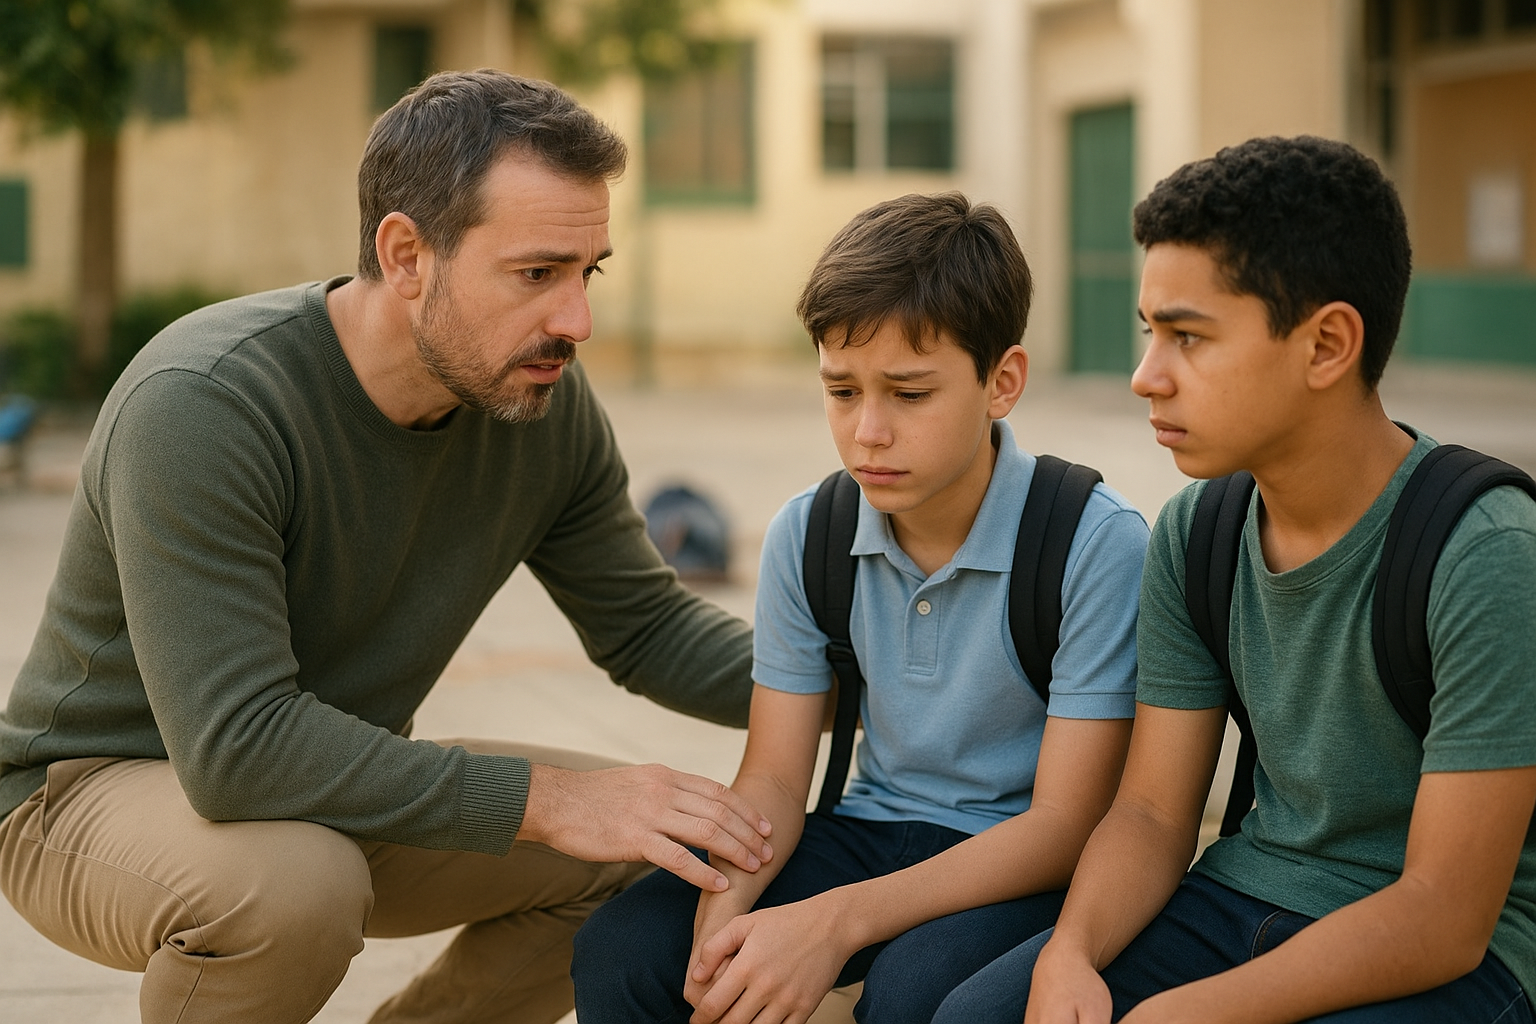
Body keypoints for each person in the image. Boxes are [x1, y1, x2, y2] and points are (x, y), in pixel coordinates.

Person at [0, 70, 777, 1024]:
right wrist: (548, 800)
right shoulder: (206, 404)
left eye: (589, 273)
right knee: (295, 888)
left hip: (323, 786)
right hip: (86, 798)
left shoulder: (540, 404)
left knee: (650, 845)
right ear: (407, 254)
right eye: (538, 274)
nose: (576, 320)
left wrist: (877, 667)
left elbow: (648, 628)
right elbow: (235, 749)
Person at [931, 136, 1536, 1024]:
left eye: (1188, 337)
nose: (1146, 377)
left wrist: (1192, 1013)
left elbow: (1444, 915)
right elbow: (1148, 814)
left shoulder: (1485, 552)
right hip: (1240, 895)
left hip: (1449, 955)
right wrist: (1072, 954)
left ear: (1327, 343)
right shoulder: (1198, 533)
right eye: (1149, 334)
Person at [570, 192, 1150, 1023]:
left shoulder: (1093, 543)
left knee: (913, 994)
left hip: (1020, 861)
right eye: (842, 391)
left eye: (909, 395)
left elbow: (1065, 824)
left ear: (1002, 382)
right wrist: (723, 914)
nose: (868, 432)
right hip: (868, 827)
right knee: (626, 949)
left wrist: (833, 925)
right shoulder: (809, 533)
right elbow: (772, 776)